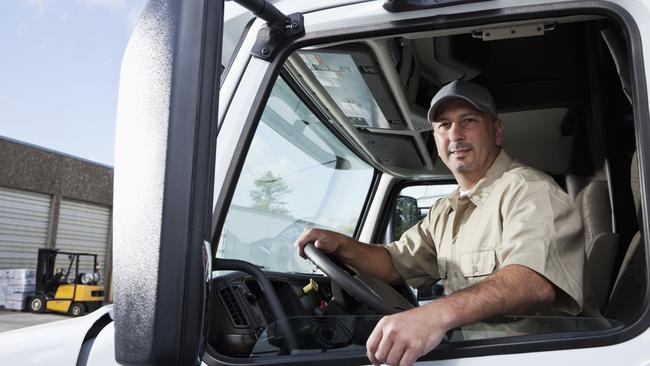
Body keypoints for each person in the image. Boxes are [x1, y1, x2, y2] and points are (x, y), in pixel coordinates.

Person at [295, 80, 587, 366]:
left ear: (497, 132)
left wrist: (433, 316)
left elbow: (532, 284)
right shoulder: (445, 210)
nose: (455, 135)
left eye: (468, 121)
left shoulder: (529, 190)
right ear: (436, 140)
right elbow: (395, 263)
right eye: (444, 126)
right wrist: (341, 245)